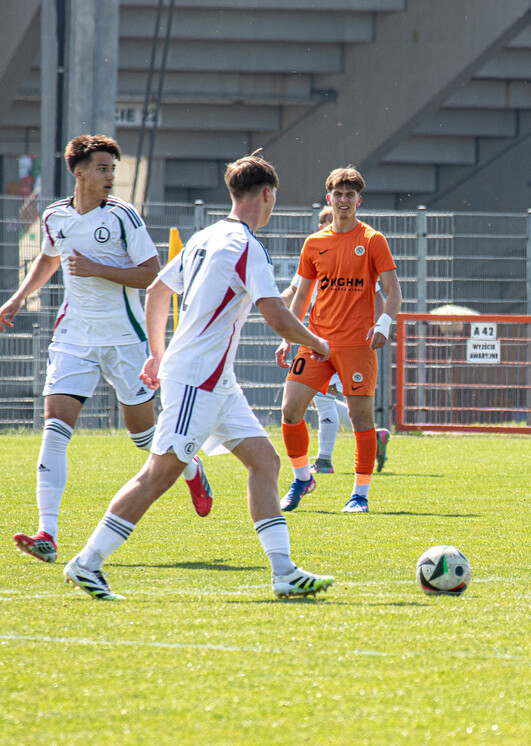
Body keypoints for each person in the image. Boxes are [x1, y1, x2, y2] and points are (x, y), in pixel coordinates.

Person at [62, 152, 335, 601]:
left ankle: (284, 572)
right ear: (267, 195)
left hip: (216, 381)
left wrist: (156, 355)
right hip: (198, 380)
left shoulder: (205, 236)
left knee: (265, 462)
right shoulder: (247, 246)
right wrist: (318, 343)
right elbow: (277, 315)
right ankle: (87, 562)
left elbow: (158, 290)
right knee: (160, 473)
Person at [0, 134, 213, 565]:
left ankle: (191, 468)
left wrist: (98, 268)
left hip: (125, 340)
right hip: (74, 337)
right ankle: (48, 533)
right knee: (55, 428)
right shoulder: (55, 216)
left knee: (144, 438)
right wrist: (19, 297)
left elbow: (151, 274)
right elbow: (49, 258)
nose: (110, 176)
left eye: (112, 169)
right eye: (102, 169)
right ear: (79, 173)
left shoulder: (122, 216)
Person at [276, 167, 402, 513]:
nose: (343, 200)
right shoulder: (314, 243)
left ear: (359, 200)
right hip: (316, 341)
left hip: (358, 344)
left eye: (350, 195)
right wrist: (289, 337)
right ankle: (303, 479)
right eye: (338, 194)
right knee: (290, 410)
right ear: (328, 198)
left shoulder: (372, 240)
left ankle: (359, 495)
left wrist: (383, 324)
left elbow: (393, 291)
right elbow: (302, 295)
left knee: (361, 418)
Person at [279, 206, 390, 475]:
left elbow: (379, 294)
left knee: (330, 401)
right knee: (314, 401)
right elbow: (296, 293)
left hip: (351, 341)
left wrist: (379, 325)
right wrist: (275, 312)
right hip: (317, 338)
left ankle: (326, 460)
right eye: (329, 222)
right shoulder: (315, 249)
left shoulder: (361, 248)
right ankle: (320, 464)